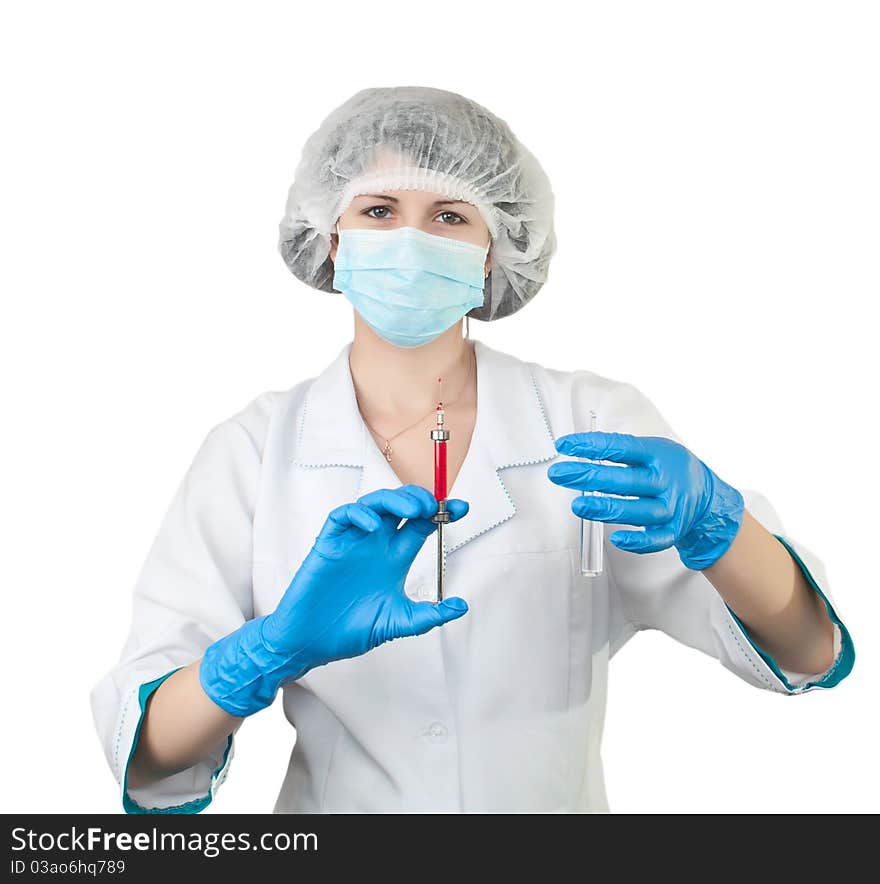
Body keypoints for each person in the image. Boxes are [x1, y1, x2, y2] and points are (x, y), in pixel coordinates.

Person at [90, 85, 854, 814]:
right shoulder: (253, 452)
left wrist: (720, 528)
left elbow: (807, 650)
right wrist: (267, 652)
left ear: (495, 250)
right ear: (330, 239)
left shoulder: (585, 419)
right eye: (380, 210)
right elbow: (149, 751)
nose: (411, 241)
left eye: (450, 216)